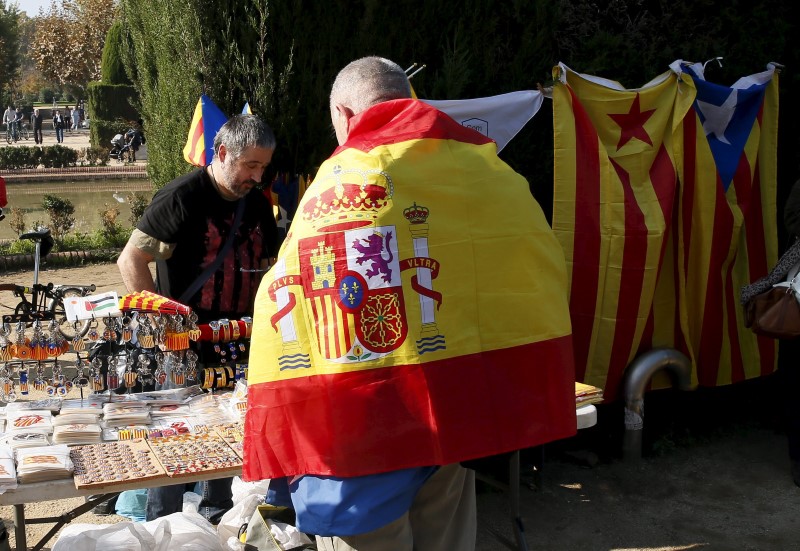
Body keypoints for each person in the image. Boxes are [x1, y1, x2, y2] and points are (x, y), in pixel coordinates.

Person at [244, 56, 576, 550]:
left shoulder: (345, 177)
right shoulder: (485, 168)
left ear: (344, 111)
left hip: (365, 428)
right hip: (453, 415)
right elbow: (533, 264)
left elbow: (290, 294)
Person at [117, 114, 280, 523]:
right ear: (222, 153)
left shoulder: (259, 204)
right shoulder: (181, 197)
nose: (257, 176)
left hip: (237, 343)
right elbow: (132, 260)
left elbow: (268, 265)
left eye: (263, 166)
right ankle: (162, 530)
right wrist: (164, 325)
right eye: (250, 165)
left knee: (225, 440)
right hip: (181, 347)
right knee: (176, 447)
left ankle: (213, 525)